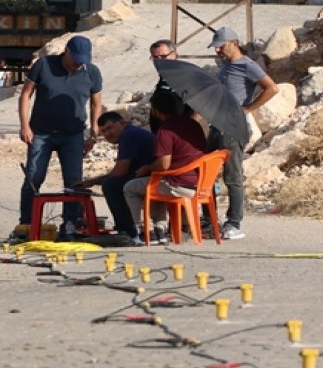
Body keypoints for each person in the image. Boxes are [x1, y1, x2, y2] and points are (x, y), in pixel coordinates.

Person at [16, 35, 103, 239]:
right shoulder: (44, 65)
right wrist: (24, 126)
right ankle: (26, 224)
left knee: (73, 182)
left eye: (83, 61)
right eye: (75, 60)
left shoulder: (92, 72)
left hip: (73, 135)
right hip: (41, 133)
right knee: (34, 177)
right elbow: (26, 94)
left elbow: (96, 103)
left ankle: (71, 225)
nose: (78, 65)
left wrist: (94, 134)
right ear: (66, 51)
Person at [208, 26, 277, 241]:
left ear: (233, 43)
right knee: (206, 174)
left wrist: (247, 108)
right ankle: (208, 219)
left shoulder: (247, 65)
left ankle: (233, 222)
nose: (218, 51)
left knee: (233, 175)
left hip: (233, 126)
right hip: (217, 124)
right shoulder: (226, 66)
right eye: (216, 48)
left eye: (221, 46)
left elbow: (271, 88)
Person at [123, 91, 207, 246]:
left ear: (155, 111)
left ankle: (139, 230)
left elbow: (163, 165)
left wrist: (147, 167)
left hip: (179, 184)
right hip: (200, 182)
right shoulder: (193, 124)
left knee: (131, 187)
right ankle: (159, 228)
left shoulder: (165, 131)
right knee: (156, 181)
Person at [74, 111, 155, 241]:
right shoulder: (129, 133)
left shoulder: (129, 135)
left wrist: (93, 181)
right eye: (104, 131)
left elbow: (120, 172)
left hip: (156, 177)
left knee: (111, 185)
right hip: (148, 175)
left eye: (110, 128)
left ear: (122, 123)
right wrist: (93, 181)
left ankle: (127, 231)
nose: (107, 134)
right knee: (114, 182)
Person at [146, 39, 180, 135]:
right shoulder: (163, 78)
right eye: (155, 58)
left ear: (175, 56)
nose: (159, 61)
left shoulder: (185, 78)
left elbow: (198, 111)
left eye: (164, 57)